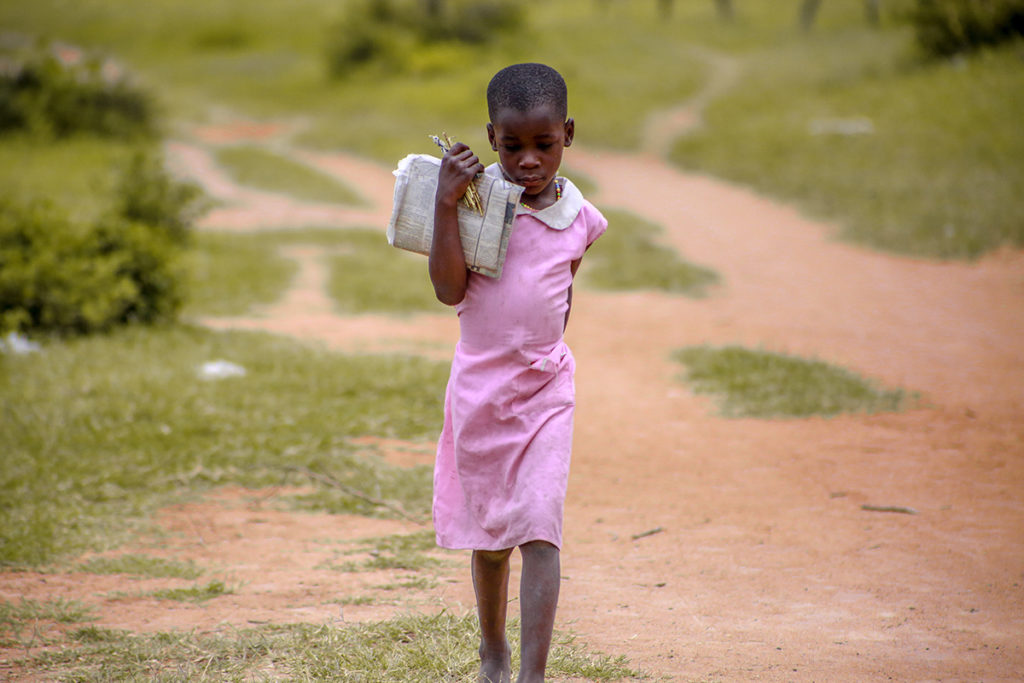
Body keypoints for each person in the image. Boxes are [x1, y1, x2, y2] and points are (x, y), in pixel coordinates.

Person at [428, 63, 607, 683]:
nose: (529, 161)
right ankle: (493, 650)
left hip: (546, 389)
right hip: (481, 391)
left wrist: (544, 354)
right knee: (493, 537)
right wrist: (447, 202)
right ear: (490, 138)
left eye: (544, 145)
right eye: (511, 146)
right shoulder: (476, 208)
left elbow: (562, 295)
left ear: (568, 134)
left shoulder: (581, 218)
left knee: (539, 525)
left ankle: (532, 673)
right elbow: (450, 290)